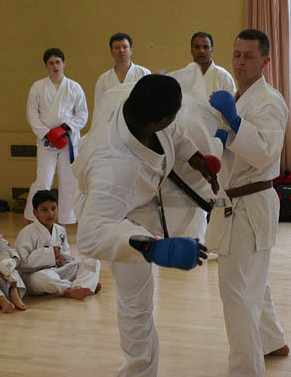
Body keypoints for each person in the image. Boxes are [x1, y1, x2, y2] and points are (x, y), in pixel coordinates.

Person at [74, 74, 219, 377]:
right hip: (113, 217)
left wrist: (195, 157)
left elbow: (174, 132)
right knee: (136, 301)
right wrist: (152, 248)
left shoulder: (130, 95)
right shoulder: (114, 169)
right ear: (159, 120)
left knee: (140, 297)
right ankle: (139, 371)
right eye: (174, 114)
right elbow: (90, 235)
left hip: (143, 197)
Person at [209, 29, 289, 376]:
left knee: (237, 289)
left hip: (252, 200)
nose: (240, 62)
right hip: (234, 200)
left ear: (265, 61)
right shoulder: (237, 97)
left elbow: (265, 152)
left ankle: (246, 368)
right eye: (237, 54)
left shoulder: (269, 102)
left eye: (249, 56)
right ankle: (271, 340)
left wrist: (236, 123)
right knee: (253, 278)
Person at [24, 48, 89, 226]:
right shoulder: (37, 87)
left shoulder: (74, 87)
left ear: (64, 63)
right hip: (46, 141)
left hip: (68, 141)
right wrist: (48, 133)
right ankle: (31, 218)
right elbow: (32, 115)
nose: (55, 66)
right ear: (46, 66)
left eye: (58, 62)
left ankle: (65, 222)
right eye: (51, 63)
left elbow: (82, 114)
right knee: (43, 180)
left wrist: (65, 128)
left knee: (69, 181)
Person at [15, 190, 101, 300]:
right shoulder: (27, 233)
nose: (50, 213)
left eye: (53, 208)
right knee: (46, 278)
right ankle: (75, 287)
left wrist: (63, 259)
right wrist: (50, 254)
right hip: (34, 276)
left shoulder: (60, 230)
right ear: (35, 213)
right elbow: (23, 262)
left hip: (58, 271)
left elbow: (67, 253)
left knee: (92, 261)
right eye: (44, 210)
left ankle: (81, 286)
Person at [93, 32, 150, 108]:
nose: (121, 50)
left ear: (130, 50)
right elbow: (99, 107)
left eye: (125, 47)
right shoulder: (103, 79)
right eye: (117, 48)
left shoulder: (144, 73)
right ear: (111, 52)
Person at [189, 31, 236, 96]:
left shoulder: (224, 77)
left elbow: (232, 101)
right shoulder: (185, 77)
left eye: (205, 47)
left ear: (211, 50)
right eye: (197, 47)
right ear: (191, 50)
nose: (201, 51)